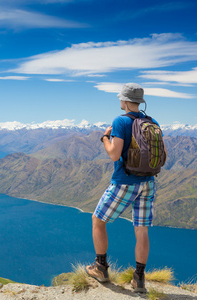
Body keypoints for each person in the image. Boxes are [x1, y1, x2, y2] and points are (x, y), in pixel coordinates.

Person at [85, 83, 165, 293]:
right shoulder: (152, 121)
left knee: (98, 220)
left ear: (125, 100)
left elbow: (113, 154)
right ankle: (139, 279)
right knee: (141, 229)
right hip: (148, 183)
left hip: (125, 182)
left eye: (121, 98)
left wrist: (105, 137)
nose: (119, 101)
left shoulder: (120, 121)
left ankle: (100, 267)